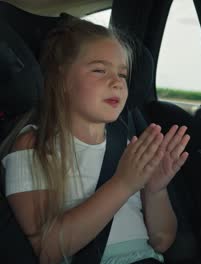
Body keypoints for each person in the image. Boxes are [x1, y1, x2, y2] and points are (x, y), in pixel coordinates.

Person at [0, 17, 190, 264]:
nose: (117, 82)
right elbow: (48, 250)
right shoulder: (34, 144)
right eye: (100, 70)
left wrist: (155, 189)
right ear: (61, 79)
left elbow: (162, 240)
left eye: (122, 74)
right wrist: (123, 183)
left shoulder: (128, 147)